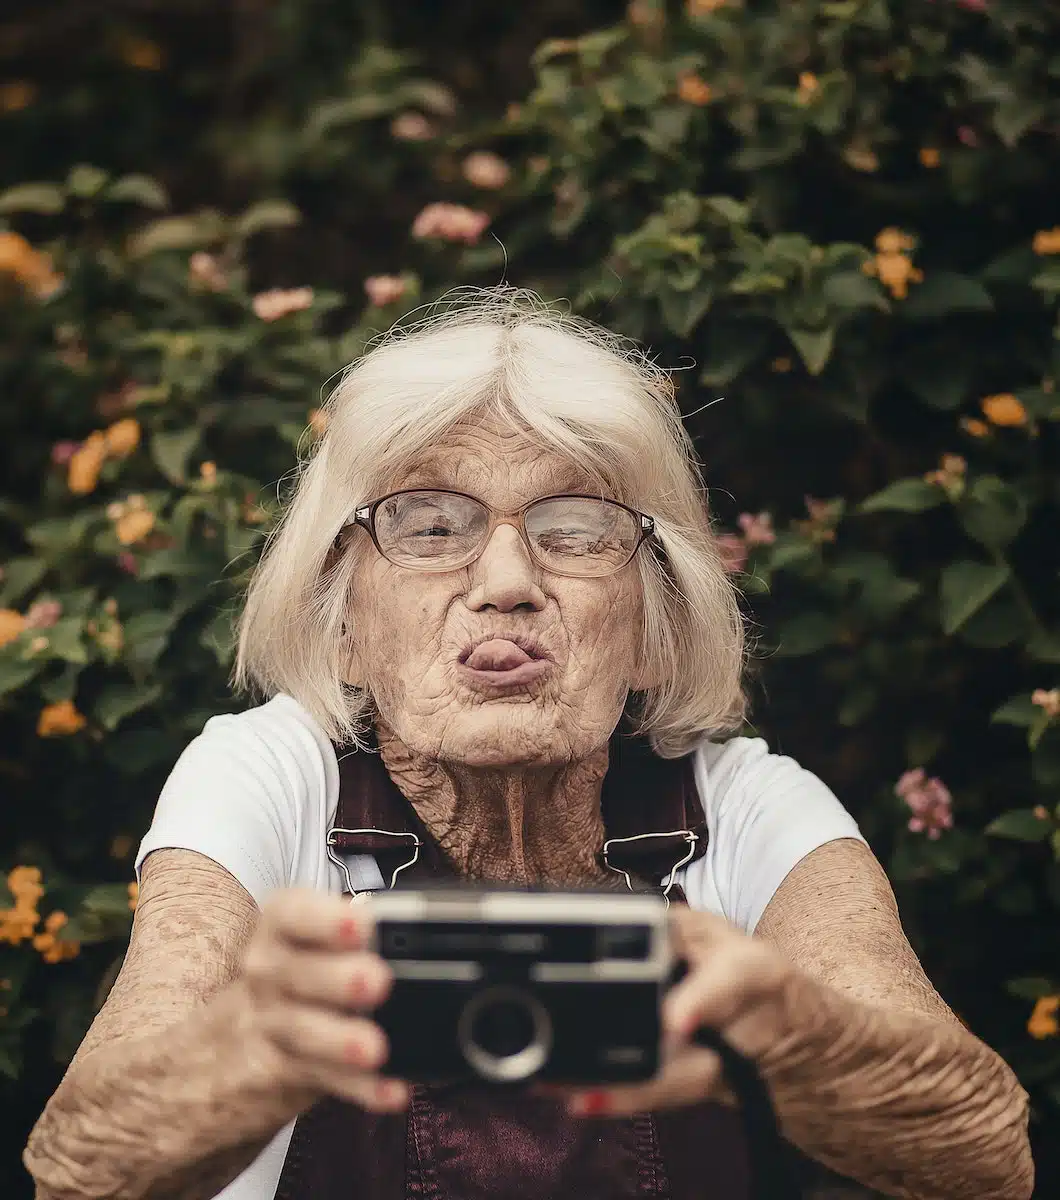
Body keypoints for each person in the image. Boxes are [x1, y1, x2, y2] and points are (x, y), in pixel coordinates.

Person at [24, 291, 1032, 1200]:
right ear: (342, 620)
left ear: (650, 623)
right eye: (427, 525)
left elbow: (987, 1158)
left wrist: (794, 1035)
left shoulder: (746, 806)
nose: (506, 579)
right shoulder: (266, 774)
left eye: (575, 528)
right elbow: (80, 1167)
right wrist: (251, 1048)